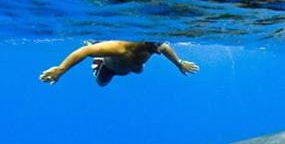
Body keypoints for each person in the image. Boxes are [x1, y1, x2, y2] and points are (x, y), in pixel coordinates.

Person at [39, 40, 199, 86]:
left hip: (130, 67)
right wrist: (61, 69)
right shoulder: (120, 47)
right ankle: (97, 55)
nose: (158, 51)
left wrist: (179, 63)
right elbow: (83, 52)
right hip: (109, 67)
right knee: (101, 82)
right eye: (155, 48)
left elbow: (165, 48)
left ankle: (134, 67)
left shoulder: (156, 45)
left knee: (138, 70)